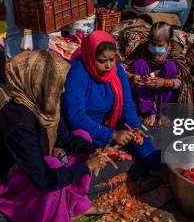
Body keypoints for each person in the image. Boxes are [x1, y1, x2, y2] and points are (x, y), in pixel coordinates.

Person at [0, 51, 110, 222]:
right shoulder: (18, 120)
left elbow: (65, 138)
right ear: (40, 84)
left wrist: (97, 150)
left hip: (32, 161)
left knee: (84, 138)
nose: (63, 90)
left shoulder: (46, 103)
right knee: (53, 167)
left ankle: (76, 203)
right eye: (58, 85)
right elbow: (44, 179)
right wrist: (84, 168)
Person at [62, 31, 160, 167]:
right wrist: (111, 135)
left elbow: (126, 106)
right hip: (86, 127)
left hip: (112, 122)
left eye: (111, 59)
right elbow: (75, 116)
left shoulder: (117, 70)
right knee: (86, 152)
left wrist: (136, 129)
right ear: (90, 57)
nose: (108, 66)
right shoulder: (77, 73)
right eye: (102, 61)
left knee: (148, 151)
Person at [128, 22, 187, 126]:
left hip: (165, 92)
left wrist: (164, 82)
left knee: (171, 66)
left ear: (168, 42)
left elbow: (183, 81)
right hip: (146, 88)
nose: (155, 48)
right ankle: (149, 111)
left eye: (160, 45)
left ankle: (162, 112)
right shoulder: (143, 49)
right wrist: (132, 76)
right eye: (153, 44)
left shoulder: (176, 51)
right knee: (138, 64)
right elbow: (124, 66)